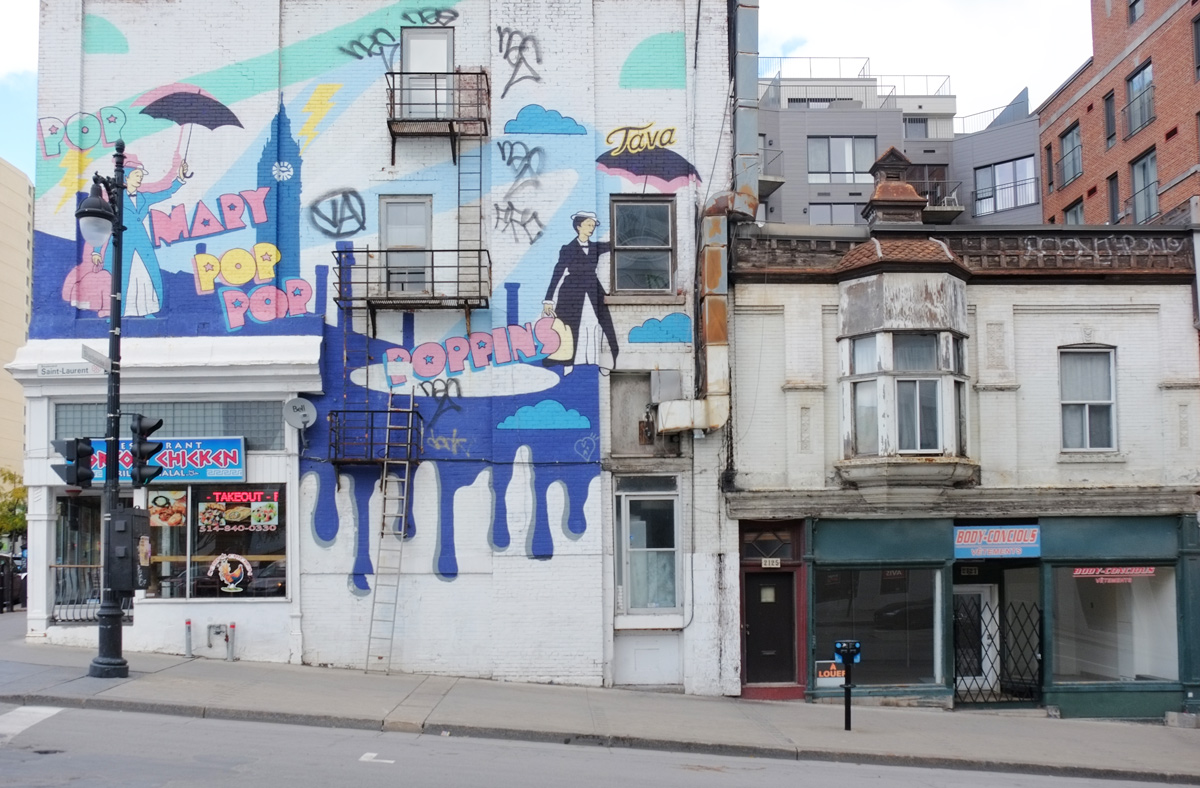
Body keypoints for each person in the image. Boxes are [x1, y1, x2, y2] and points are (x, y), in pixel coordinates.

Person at [91, 154, 190, 318]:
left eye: (141, 177)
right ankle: (115, 313)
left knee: (144, 276)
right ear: (127, 177)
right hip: (121, 244)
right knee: (118, 278)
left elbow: (166, 192)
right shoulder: (115, 200)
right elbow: (105, 226)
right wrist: (96, 251)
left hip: (142, 243)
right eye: (137, 175)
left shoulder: (144, 198)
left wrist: (180, 178)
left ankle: (146, 310)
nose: (140, 179)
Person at [542, 211, 619, 372]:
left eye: (593, 225)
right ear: (578, 226)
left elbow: (613, 244)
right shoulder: (567, 249)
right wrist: (548, 300)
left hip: (593, 287)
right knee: (568, 326)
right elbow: (557, 273)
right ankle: (567, 362)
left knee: (605, 322)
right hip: (570, 290)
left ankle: (613, 356)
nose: (592, 228)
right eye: (588, 224)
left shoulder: (596, 247)